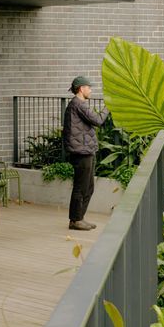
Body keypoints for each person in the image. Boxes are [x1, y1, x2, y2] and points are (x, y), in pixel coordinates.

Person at [62, 75, 109, 232]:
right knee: (81, 187)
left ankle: (79, 218)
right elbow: (97, 120)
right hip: (81, 152)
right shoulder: (78, 104)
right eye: (89, 87)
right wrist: (108, 107)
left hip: (84, 150)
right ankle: (75, 220)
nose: (91, 90)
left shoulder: (77, 105)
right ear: (81, 89)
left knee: (88, 187)